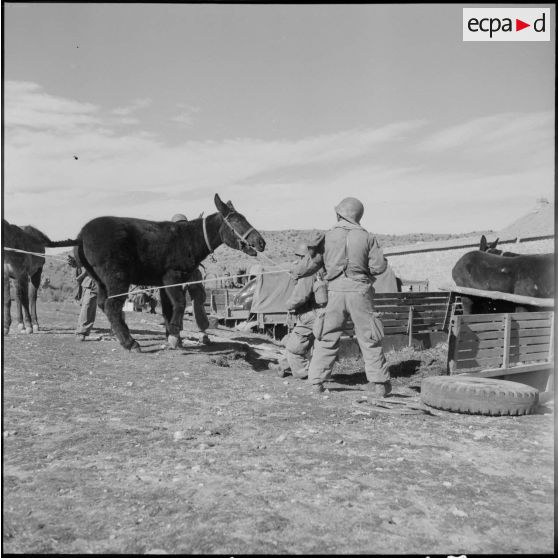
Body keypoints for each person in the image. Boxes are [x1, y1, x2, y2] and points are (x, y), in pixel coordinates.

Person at [293, 197, 392, 397]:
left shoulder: (327, 237)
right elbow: (380, 267)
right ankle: (379, 384)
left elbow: (306, 269)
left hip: (334, 294)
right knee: (369, 337)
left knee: (326, 337)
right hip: (360, 293)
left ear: (339, 213)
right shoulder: (368, 237)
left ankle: (316, 383)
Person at [270, 239, 325, 380]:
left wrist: (288, 305)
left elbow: (301, 296)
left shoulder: (308, 273)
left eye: (300, 257)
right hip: (321, 315)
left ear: (304, 257)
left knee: (294, 347)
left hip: (310, 316)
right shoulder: (321, 269)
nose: (298, 260)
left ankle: (304, 373)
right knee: (298, 342)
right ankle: (283, 365)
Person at [171, 213, 211, 345]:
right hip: (182, 274)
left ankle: (197, 333)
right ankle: (178, 334)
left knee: (195, 303)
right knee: (183, 303)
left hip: (190, 274)